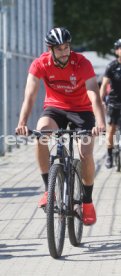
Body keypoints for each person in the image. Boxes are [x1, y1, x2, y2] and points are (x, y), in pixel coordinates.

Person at [15, 27, 105, 225]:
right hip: (55, 109)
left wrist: (100, 122)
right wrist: (22, 122)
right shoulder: (40, 64)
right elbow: (29, 96)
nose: (64, 52)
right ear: (50, 49)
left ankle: (87, 202)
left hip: (82, 110)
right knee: (41, 134)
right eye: (59, 48)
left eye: (67, 47)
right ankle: (49, 191)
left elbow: (93, 93)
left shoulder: (81, 63)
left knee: (86, 152)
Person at [100, 38, 121, 168]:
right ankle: (109, 155)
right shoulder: (112, 66)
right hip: (114, 102)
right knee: (111, 130)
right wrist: (101, 101)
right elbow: (104, 85)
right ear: (117, 50)